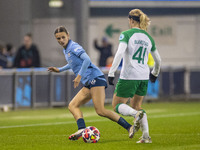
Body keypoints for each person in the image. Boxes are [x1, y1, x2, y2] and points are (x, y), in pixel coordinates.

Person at [48, 26, 141, 141]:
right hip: (89, 82)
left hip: (95, 78)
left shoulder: (73, 46)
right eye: (58, 38)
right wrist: (59, 69)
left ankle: (129, 127)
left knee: (101, 111)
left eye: (63, 37)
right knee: (72, 105)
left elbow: (87, 59)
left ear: (68, 35)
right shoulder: (66, 49)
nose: (61, 40)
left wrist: (79, 76)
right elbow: (73, 63)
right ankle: (82, 129)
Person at [108, 9, 161, 143]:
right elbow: (158, 60)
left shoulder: (126, 34)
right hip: (143, 76)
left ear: (131, 20)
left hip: (129, 75)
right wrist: (154, 73)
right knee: (137, 105)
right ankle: (146, 136)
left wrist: (111, 72)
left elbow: (119, 54)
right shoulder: (149, 38)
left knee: (117, 105)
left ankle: (135, 115)